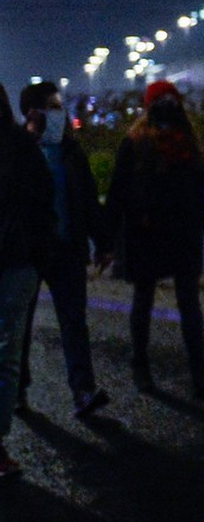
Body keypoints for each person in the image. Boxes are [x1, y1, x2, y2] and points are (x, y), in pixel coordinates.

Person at [104, 81, 204, 394]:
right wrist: (107, 241)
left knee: (189, 303)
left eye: (172, 99)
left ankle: (199, 372)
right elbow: (118, 193)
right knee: (144, 300)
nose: (168, 105)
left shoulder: (187, 144)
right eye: (162, 100)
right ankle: (140, 366)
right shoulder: (135, 142)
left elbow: (200, 192)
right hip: (147, 234)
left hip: (183, 233)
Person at [15, 81, 110, 420]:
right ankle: (17, 391)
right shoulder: (18, 149)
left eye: (59, 107)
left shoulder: (71, 151)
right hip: (28, 252)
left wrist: (103, 242)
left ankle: (83, 390)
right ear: (32, 112)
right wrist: (28, 138)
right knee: (20, 326)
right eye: (52, 107)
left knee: (74, 322)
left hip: (67, 249)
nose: (59, 113)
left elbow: (86, 198)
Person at [0, 85, 55, 480]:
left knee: (6, 355)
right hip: (18, 264)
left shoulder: (20, 146)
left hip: (17, 261)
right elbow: (43, 203)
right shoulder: (21, 146)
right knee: (6, 354)